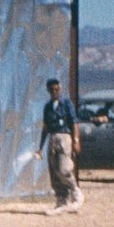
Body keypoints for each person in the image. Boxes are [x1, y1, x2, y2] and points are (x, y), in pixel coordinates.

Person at [36, 78, 84, 214]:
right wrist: (40, 146)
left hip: (64, 137)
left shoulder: (66, 103)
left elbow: (74, 122)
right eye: (52, 90)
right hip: (53, 137)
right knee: (54, 170)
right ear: (48, 90)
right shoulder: (48, 107)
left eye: (56, 89)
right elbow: (45, 127)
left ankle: (75, 192)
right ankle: (62, 199)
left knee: (64, 168)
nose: (54, 92)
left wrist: (76, 140)